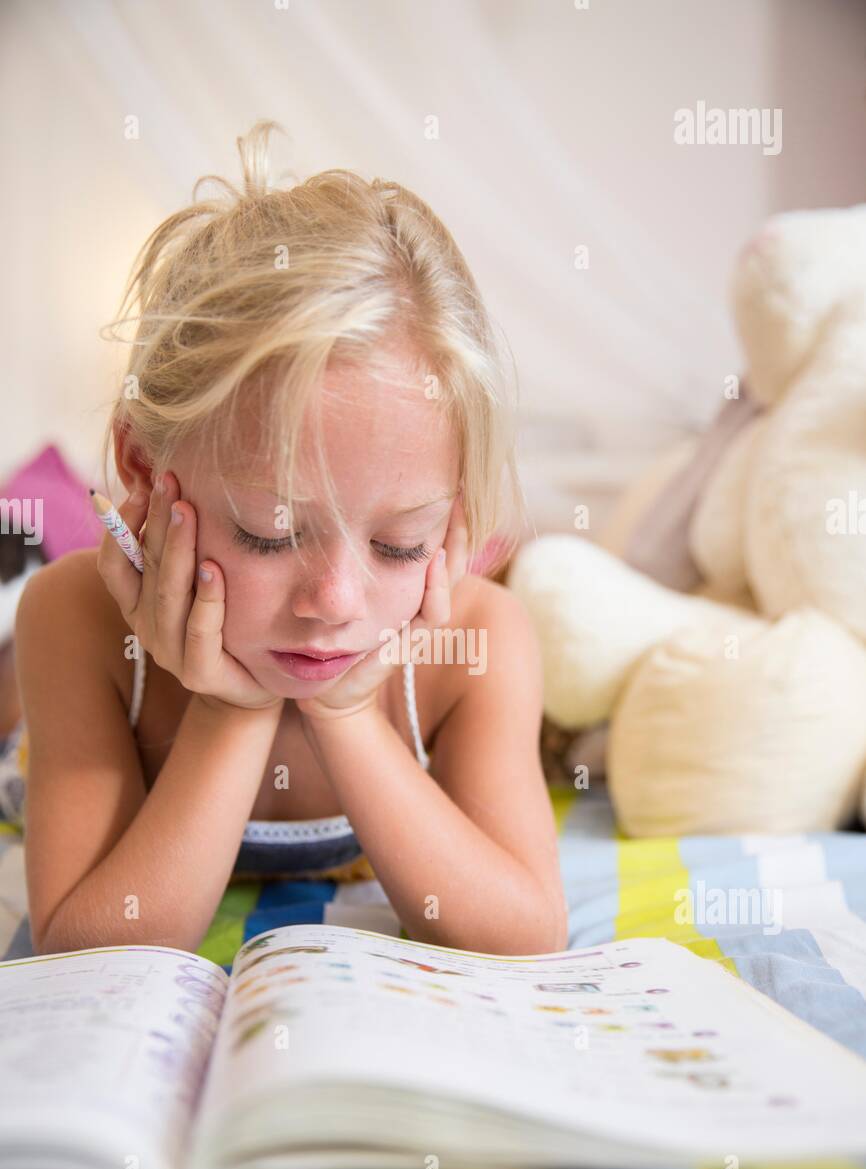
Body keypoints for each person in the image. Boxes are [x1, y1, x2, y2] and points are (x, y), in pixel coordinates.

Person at [13, 120, 568, 958]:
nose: (335, 604)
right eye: (270, 533)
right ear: (139, 460)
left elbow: (526, 934)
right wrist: (228, 711)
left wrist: (346, 714)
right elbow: (87, 948)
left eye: (400, 545)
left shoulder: (479, 646)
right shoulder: (75, 621)